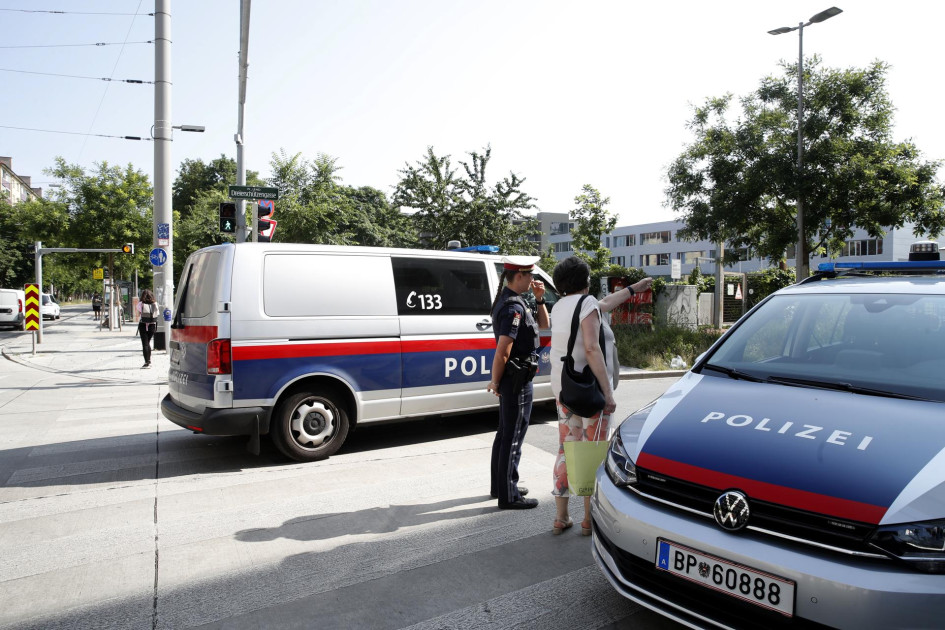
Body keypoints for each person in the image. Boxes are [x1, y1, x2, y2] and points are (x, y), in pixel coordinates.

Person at [549, 256, 653, 534]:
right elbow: (593, 349)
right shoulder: (587, 305)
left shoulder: (560, 306)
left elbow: (604, 304)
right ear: (586, 281)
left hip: (564, 390)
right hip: (590, 394)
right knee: (592, 452)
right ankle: (587, 520)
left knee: (565, 449)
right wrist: (608, 392)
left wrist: (634, 288)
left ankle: (561, 517)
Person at [486, 256, 550, 509]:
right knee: (513, 437)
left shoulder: (518, 302)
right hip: (517, 380)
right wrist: (495, 381)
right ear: (519, 276)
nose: (533, 280)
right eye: (530, 276)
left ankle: (500, 486)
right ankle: (509, 495)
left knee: (505, 434)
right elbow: (503, 349)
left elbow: (544, 325)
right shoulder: (513, 308)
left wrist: (540, 298)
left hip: (514, 378)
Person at [137, 290, 159, 368]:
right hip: (152, 325)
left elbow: (139, 313)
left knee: (145, 344)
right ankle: (149, 360)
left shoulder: (140, 304)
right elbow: (157, 314)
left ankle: (147, 361)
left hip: (143, 325)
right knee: (148, 342)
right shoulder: (155, 304)